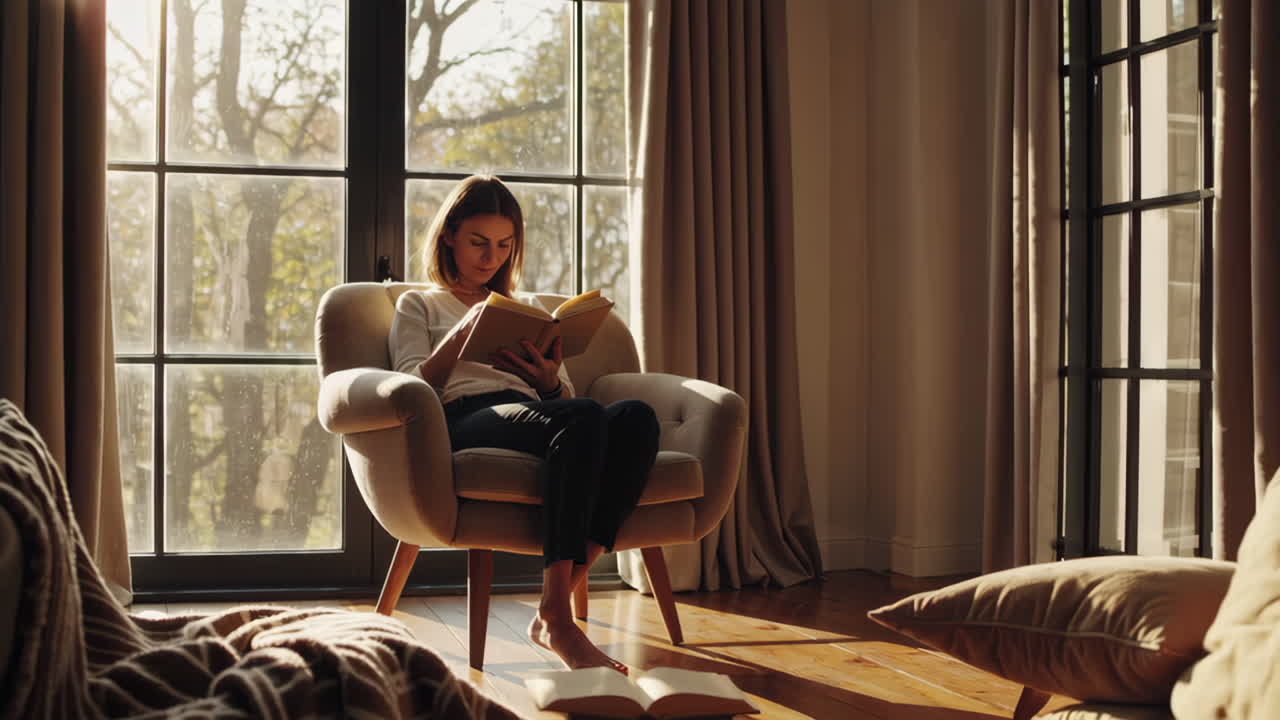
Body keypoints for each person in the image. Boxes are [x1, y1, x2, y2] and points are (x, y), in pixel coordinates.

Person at [388, 175, 658, 674]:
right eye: (478, 242)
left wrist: (549, 380)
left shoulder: (529, 309)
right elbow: (413, 386)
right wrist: (464, 331)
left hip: (531, 408)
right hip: (463, 415)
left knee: (636, 418)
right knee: (582, 419)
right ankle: (558, 618)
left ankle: (557, 600)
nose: (490, 257)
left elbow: (573, 404)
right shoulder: (420, 304)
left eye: (504, 245)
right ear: (449, 235)